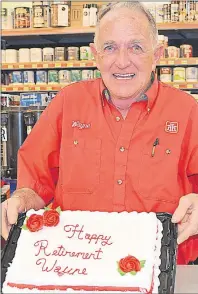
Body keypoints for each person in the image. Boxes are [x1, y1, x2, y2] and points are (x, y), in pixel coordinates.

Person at [1, 1, 198, 265]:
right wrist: (20, 200)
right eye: (110, 48)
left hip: (163, 268)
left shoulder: (187, 111)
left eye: (136, 47)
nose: (122, 61)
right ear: (95, 55)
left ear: (158, 54)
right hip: (77, 266)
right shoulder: (67, 103)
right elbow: (36, 184)